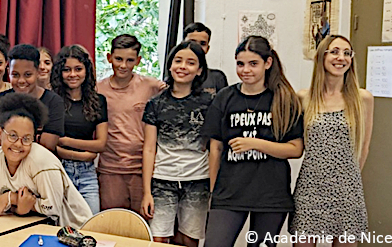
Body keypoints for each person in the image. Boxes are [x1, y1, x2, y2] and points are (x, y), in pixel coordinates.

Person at [202, 36, 304, 247]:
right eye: (240, 64)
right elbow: (216, 147)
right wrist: (214, 191)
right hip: (229, 192)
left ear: (267, 63)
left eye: (253, 64)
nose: (245, 70)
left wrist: (255, 143)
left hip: (271, 194)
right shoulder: (225, 97)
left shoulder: (283, 99)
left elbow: (296, 149)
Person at [289, 35, 373, 245]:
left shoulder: (362, 98)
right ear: (321, 57)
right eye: (334, 51)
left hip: (347, 189)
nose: (341, 58)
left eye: (347, 53)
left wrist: (347, 179)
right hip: (311, 188)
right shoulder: (304, 97)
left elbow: (364, 147)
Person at [0, 93, 93, 228]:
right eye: (12, 136)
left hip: (73, 229)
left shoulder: (42, 162)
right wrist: (19, 207)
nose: (18, 144)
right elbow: (2, 206)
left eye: (26, 138)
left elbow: (53, 210)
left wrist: (13, 198)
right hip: (26, 225)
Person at [140, 41, 214, 247]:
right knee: (158, 239)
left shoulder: (209, 102)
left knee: (189, 239)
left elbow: (215, 147)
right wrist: (146, 192)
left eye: (191, 63)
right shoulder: (155, 103)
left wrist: (214, 188)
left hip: (198, 180)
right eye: (178, 61)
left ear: (199, 70)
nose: (183, 66)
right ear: (170, 65)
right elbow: (148, 148)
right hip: (162, 180)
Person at [96, 34, 164, 214]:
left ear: (138, 61)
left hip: (142, 169)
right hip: (110, 169)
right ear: (109, 58)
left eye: (130, 60)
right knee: (113, 225)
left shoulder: (151, 86)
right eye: (118, 59)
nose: (123, 65)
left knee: (142, 226)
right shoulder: (98, 89)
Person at [50, 45, 107, 214]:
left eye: (78, 69)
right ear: (59, 72)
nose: (73, 74)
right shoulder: (52, 100)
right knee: (58, 226)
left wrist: (66, 142)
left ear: (86, 71)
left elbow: (101, 144)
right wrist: (85, 152)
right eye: (67, 70)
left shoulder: (98, 100)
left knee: (91, 223)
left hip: (87, 173)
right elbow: (50, 145)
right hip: (58, 170)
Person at [0, 44, 66, 154]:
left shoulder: (54, 102)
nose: (21, 81)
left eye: (28, 75)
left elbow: (47, 147)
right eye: (15, 75)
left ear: (38, 72)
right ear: (8, 71)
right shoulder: (0, 99)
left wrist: (10, 140)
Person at [183, 22, 229, 94]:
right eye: (192, 42)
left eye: (202, 44)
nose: (197, 47)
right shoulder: (176, 75)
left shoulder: (217, 78)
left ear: (207, 49)